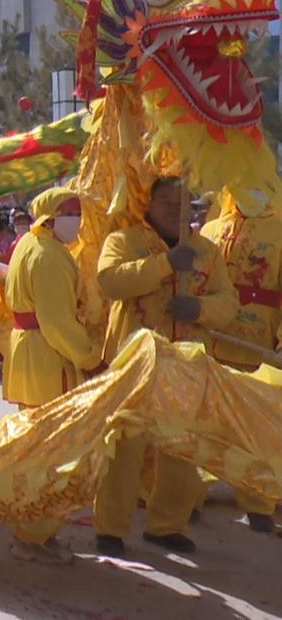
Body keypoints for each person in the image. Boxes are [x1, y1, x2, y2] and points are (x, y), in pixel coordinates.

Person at [93, 176, 236, 556]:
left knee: (181, 451)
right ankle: (110, 528)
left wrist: (200, 308)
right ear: (149, 204)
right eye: (167, 202)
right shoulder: (123, 241)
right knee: (124, 448)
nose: (176, 210)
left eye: (183, 203)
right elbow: (109, 282)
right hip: (135, 363)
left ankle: (167, 525)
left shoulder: (207, 251)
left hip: (186, 364)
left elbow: (228, 302)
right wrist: (163, 265)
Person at [1, 186, 100, 564]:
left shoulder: (29, 244)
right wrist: (90, 358)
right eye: (68, 211)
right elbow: (57, 322)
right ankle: (32, 536)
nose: (75, 218)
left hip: (32, 352)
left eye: (77, 211)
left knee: (37, 447)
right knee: (51, 452)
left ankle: (35, 532)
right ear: (49, 215)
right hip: (48, 356)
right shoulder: (48, 256)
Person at [199, 189, 281, 533]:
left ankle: (258, 501)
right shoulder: (210, 230)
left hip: (257, 343)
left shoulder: (279, 231)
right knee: (205, 422)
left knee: (255, 427)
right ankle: (192, 493)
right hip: (211, 339)